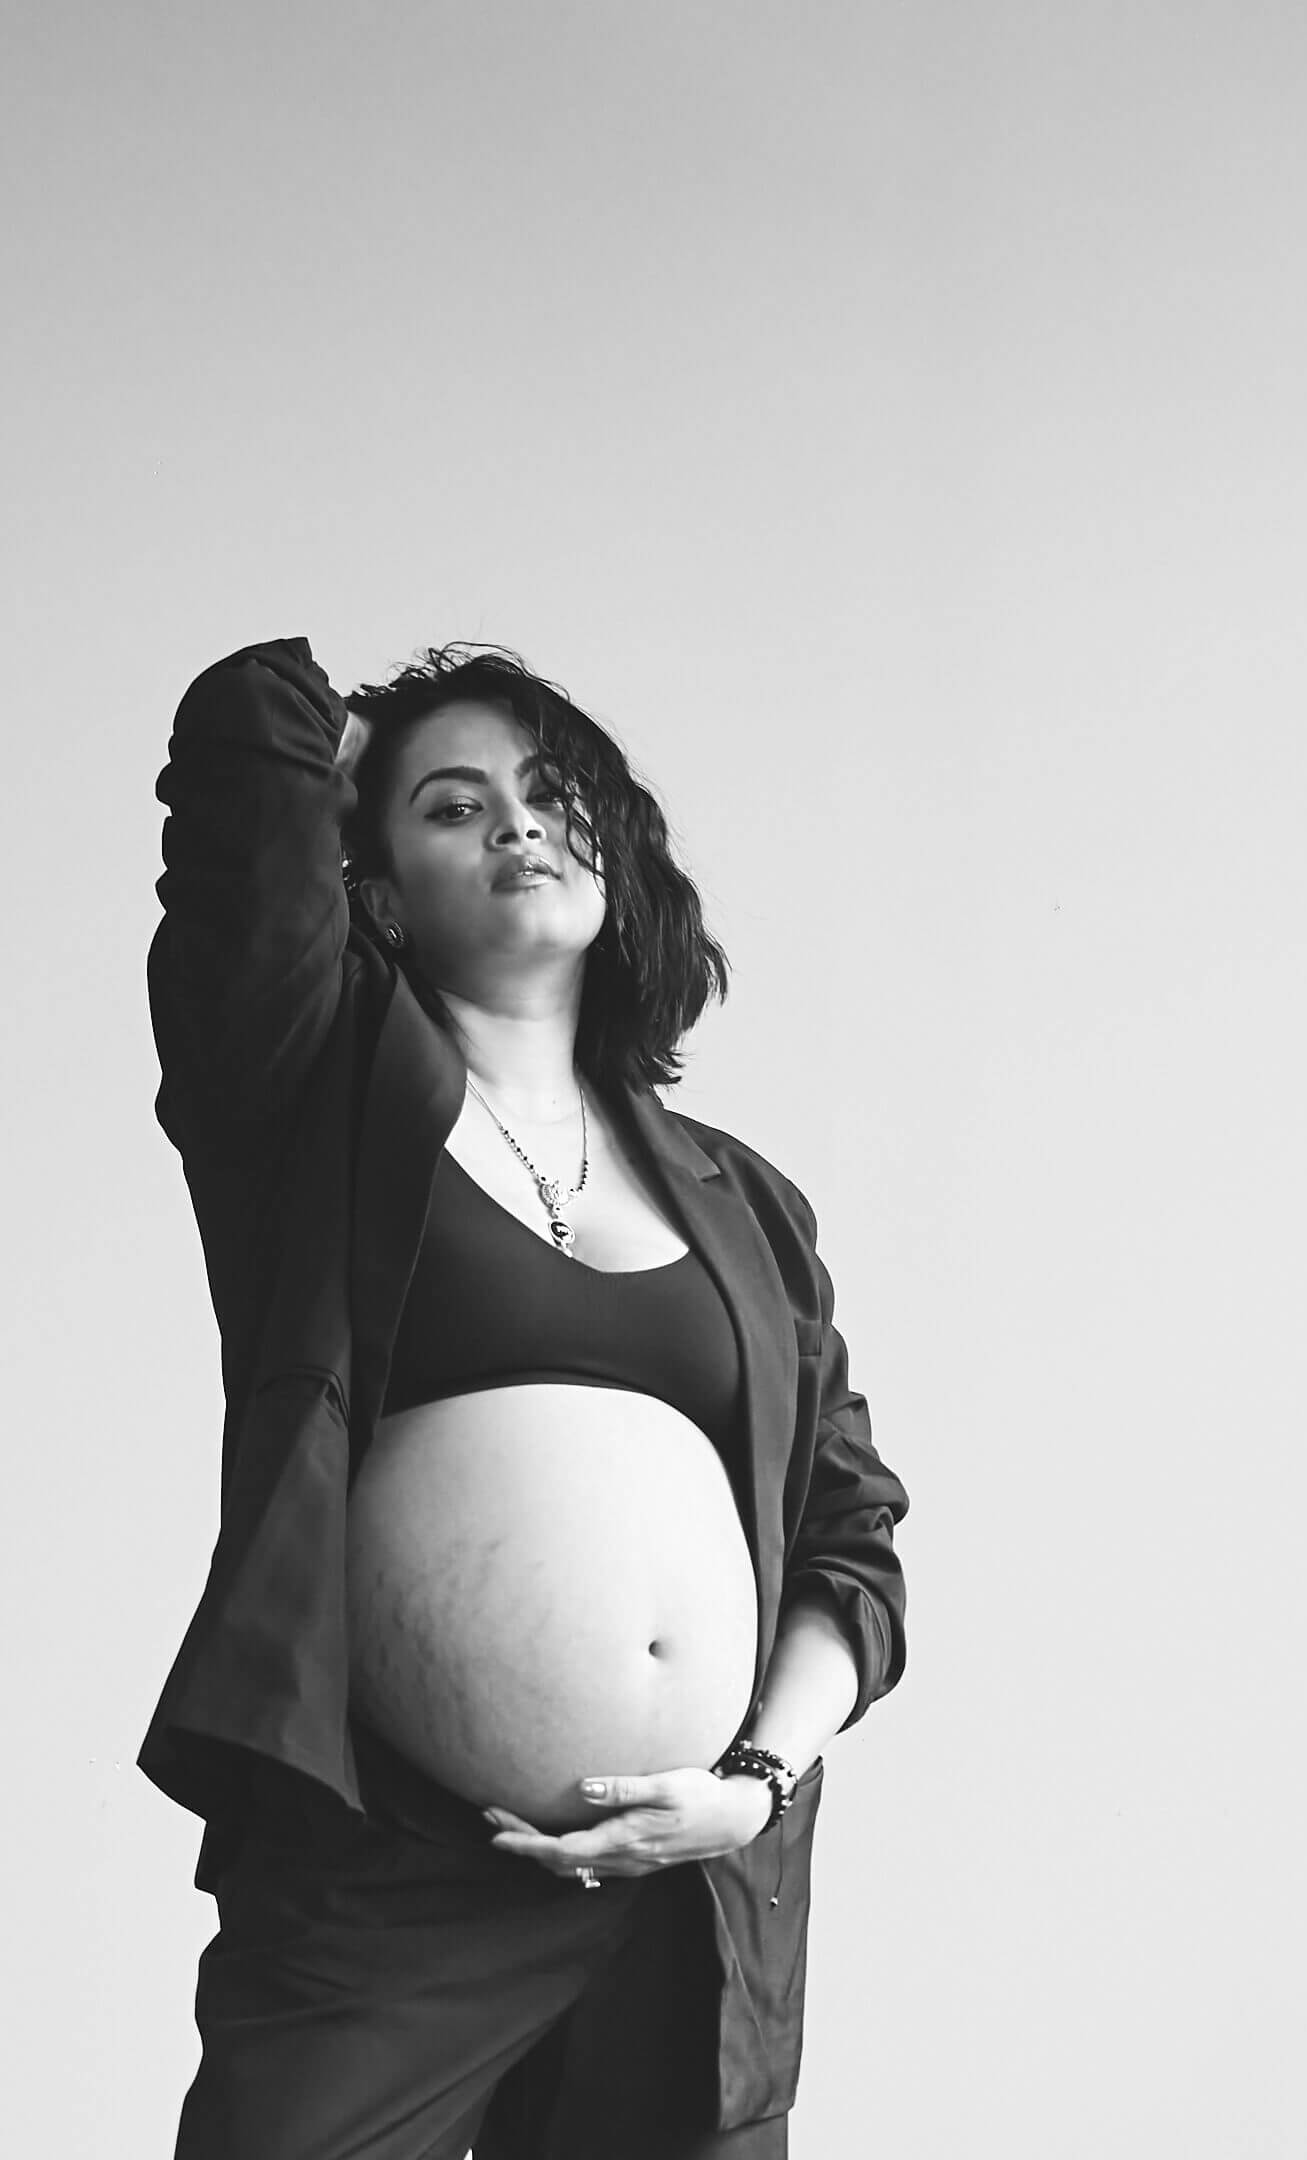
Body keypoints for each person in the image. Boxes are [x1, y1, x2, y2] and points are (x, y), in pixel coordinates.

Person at [141, 635, 909, 2159]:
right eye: (453, 805)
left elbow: (852, 1543)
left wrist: (754, 1784)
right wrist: (345, 743)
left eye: (554, 796)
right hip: (391, 1873)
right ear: (373, 891)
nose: (518, 824)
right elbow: (243, 751)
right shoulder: (309, 1102)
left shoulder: (747, 1205)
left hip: (688, 1895)